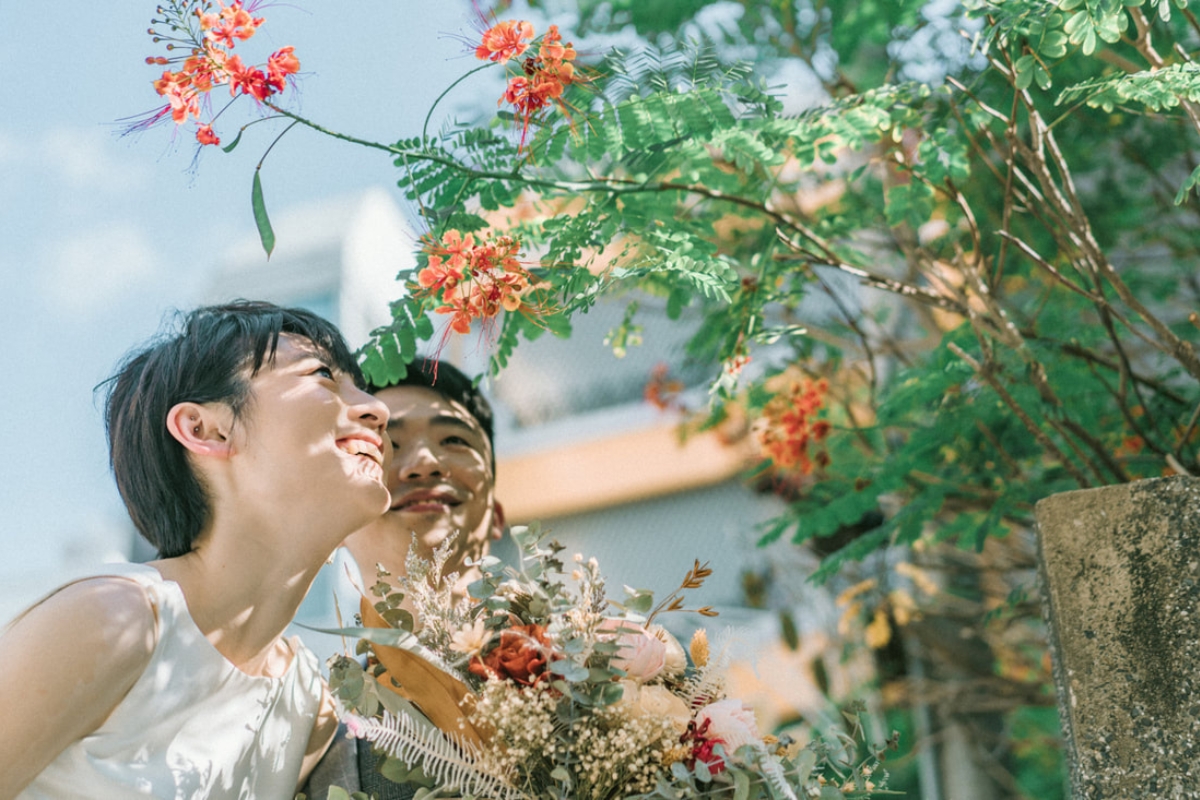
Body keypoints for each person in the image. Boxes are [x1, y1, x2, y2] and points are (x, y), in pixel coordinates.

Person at [0, 301, 391, 800]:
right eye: (322, 375)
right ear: (205, 430)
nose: (378, 411)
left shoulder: (308, 708)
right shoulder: (115, 620)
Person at [302, 360, 505, 800]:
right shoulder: (311, 743)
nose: (424, 464)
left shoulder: (621, 663)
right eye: (388, 444)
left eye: (453, 439)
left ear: (497, 515)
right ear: (337, 525)